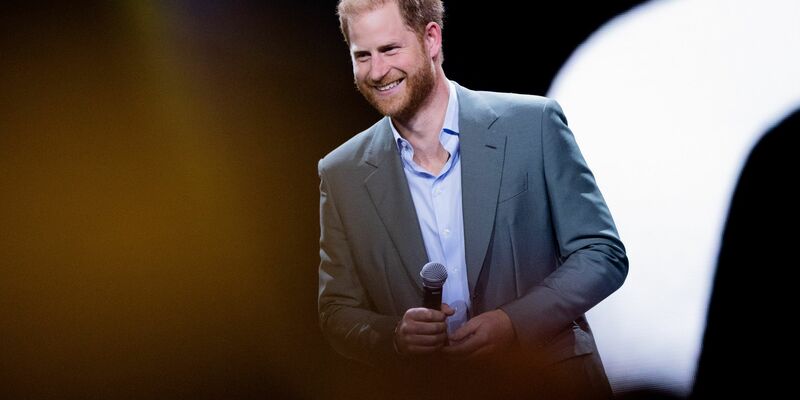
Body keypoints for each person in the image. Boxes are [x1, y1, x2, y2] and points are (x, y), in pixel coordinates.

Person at [317, 1, 628, 398]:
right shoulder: (341, 173)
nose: (377, 72)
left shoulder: (533, 125)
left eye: (390, 49)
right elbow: (337, 311)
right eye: (363, 55)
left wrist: (513, 323)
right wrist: (394, 335)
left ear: (431, 38)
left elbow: (602, 253)